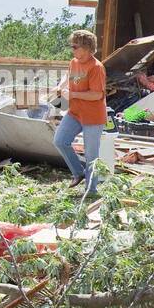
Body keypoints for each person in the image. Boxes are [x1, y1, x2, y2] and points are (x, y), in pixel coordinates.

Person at [54, 29, 107, 196]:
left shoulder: (96, 67)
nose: (72, 49)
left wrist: (73, 94)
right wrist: (61, 85)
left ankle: (91, 190)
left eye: (75, 46)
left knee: (91, 154)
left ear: (86, 47)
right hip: (75, 112)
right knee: (60, 141)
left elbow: (97, 94)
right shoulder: (74, 62)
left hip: (93, 117)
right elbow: (68, 74)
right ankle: (78, 173)